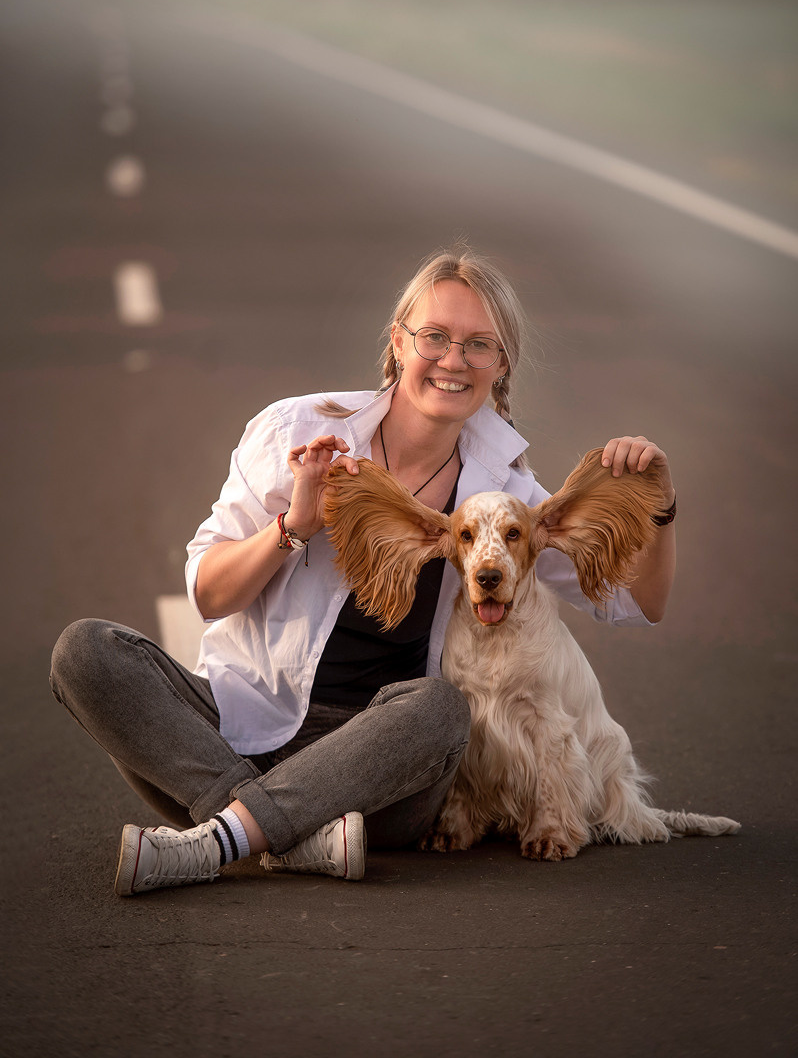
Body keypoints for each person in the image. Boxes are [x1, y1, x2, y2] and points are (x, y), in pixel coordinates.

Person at [50, 246, 677, 895]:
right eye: (435, 336)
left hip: (384, 769)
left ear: (501, 363)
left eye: (478, 345)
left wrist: (658, 504)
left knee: (440, 708)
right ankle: (284, 833)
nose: (453, 360)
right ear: (399, 342)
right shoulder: (294, 430)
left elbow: (635, 602)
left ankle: (224, 832)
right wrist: (294, 524)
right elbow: (210, 595)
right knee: (87, 652)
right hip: (247, 726)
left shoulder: (507, 495)